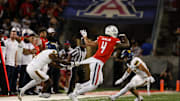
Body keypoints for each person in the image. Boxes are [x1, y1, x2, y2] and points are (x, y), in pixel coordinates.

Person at [68, 25, 130, 101]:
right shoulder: (114, 40)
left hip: (96, 61)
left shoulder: (100, 38)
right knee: (94, 85)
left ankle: (79, 85)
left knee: (99, 81)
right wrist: (125, 37)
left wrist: (85, 36)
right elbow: (127, 45)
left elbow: (88, 43)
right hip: (97, 62)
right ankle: (74, 94)